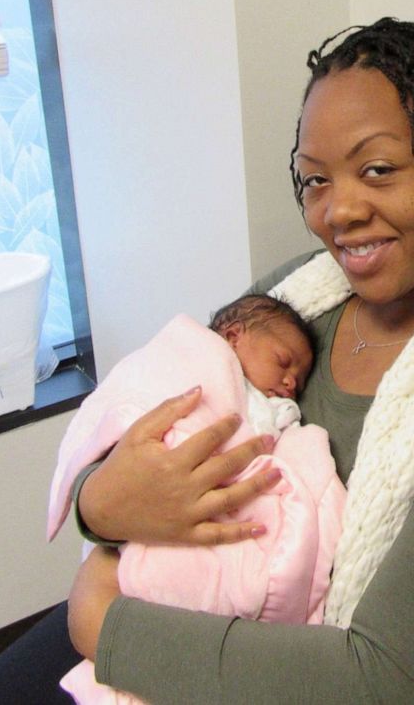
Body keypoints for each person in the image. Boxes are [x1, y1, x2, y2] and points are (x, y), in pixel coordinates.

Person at [0, 18, 414, 704]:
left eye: (377, 169)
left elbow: (388, 684)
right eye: (315, 180)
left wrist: (106, 624)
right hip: (164, 608)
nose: (337, 210)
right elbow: (157, 410)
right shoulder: (296, 301)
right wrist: (98, 503)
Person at [47, 295, 346, 704]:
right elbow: (127, 403)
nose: (293, 381)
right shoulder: (195, 359)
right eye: (283, 361)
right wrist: (99, 503)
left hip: (167, 614)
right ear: (233, 336)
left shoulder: (271, 401)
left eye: (301, 375)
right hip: (132, 542)